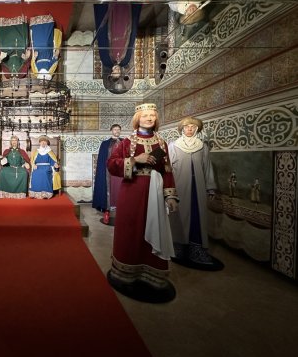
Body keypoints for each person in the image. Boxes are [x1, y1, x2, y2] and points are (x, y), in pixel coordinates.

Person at [106, 103, 178, 303]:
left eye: (152, 115)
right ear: (137, 119)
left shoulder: (161, 143)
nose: (149, 118)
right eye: (145, 115)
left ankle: (152, 273)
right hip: (132, 192)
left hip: (155, 192)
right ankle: (125, 272)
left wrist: (170, 195)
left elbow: (167, 170)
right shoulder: (127, 142)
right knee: (131, 230)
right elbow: (111, 164)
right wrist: (135, 159)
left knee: (156, 227)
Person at [168, 117, 223, 270]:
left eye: (192, 126)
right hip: (179, 188)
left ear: (196, 129)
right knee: (179, 217)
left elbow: (207, 167)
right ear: (182, 129)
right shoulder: (173, 146)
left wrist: (210, 187)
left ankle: (196, 251)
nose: (189, 129)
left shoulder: (202, 147)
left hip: (198, 189)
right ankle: (178, 248)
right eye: (186, 126)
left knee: (197, 217)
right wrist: (168, 190)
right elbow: (168, 169)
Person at [93, 0, 144, 93]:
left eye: (114, 72)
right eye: (118, 72)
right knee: (125, 12)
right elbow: (131, 44)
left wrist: (102, 29)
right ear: (120, 72)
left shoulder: (106, 61)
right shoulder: (125, 61)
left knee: (110, 13)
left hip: (111, 32)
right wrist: (132, 31)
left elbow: (102, 42)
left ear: (111, 72)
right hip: (124, 31)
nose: (116, 70)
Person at [92, 124, 123, 225]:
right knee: (108, 192)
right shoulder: (105, 144)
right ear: (111, 131)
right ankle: (107, 212)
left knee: (121, 191)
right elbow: (102, 160)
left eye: (118, 129)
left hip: (120, 172)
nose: (117, 131)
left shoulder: (124, 142)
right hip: (108, 172)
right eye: (115, 129)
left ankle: (122, 215)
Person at [29, 14, 62, 80]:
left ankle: (36, 24)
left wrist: (34, 57)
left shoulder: (36, 72)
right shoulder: (50, 71)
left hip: (38, 52)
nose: (43, 80)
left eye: (41, 81)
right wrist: (56, 55)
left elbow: (33, 63)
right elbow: (54, 61)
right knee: (46, 42)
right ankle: (47, 23)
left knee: (37, 41)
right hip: (48, 51)